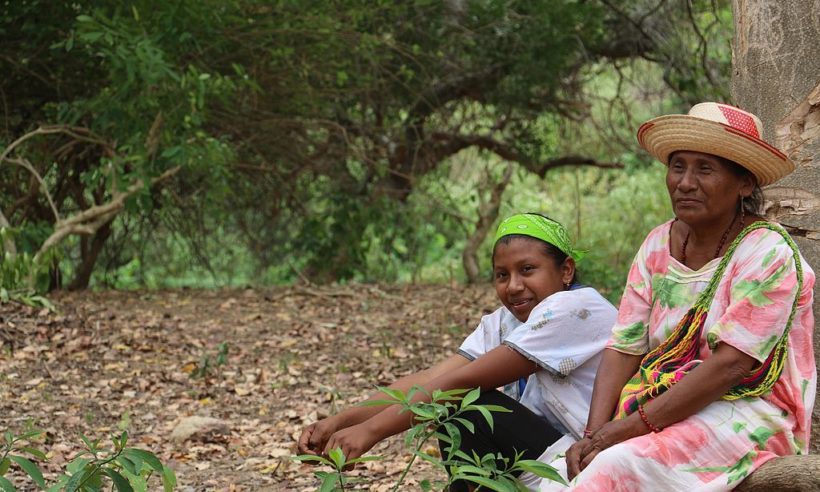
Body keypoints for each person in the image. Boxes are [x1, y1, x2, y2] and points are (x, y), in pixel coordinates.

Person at [546, 102, 816, 491]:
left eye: (705, 168)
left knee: (616, 466)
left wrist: (623, 433)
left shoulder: (768, 253)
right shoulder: (658, 244)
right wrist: (594, 433)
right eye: (678, 166)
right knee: (560, 473)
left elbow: (731, 367)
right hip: (660, 402)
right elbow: (624, 347)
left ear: (745, 184)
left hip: (748, 412)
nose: (685, 182)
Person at [297, 213, 617, 490]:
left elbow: (462, 384)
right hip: (546, 456)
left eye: (528, 269)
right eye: (502, 275)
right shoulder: (504, 321)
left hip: (589, 459)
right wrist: (339, 421)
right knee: (458, 405)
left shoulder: (576, 308)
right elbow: (433, 377)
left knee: (469, 405)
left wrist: (371, 431)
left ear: (566, 271)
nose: (513, 285)